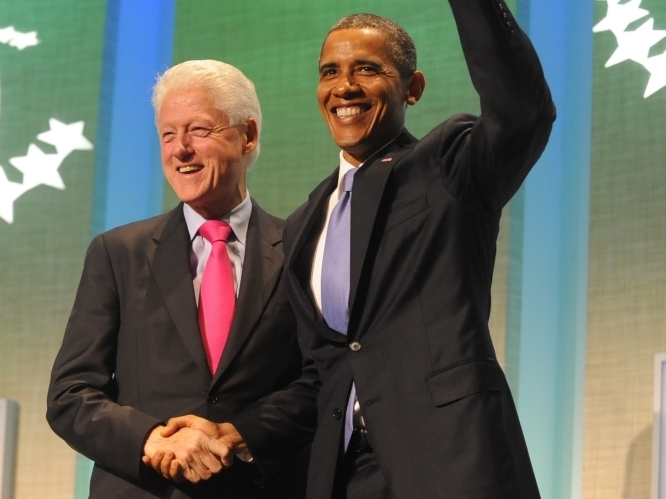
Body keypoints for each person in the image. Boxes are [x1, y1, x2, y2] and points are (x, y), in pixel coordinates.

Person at [150, 0, 555, 497]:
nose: (345, 86)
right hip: (345, 476)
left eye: (367, 69)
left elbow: (523, 112)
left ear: (413, 87)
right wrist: (239, 432)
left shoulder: (448, 165)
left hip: (453, 463)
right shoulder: (303, 223)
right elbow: (325, 374)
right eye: (330, 72)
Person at [46, 60, 316, 499]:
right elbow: (70, 394)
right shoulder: (118, 254)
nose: (180, 149)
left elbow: (320, 379)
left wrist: (237, 435)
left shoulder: (302, 247)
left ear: (247, 135)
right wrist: (153, 440)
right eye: (168, 135)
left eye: (199, 130)